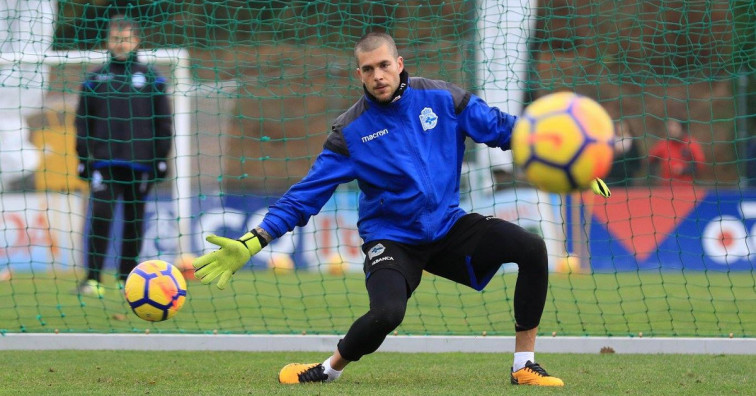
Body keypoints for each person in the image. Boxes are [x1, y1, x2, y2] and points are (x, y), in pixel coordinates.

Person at [193, 32, 609, 387]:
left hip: (447, 227)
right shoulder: (350, 132)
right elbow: (305, 195)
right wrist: (254, 240)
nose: (378, 76)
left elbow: (503, 128)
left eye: (384, 65)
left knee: (532, 249)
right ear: (359, 74)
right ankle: (326, 370)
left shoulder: (443, 98)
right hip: (392, 239)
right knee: (388, 313)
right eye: (368, 69)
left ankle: (523, 366)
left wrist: (571, 161)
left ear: (399, 63)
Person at [73, 15, 173, 297]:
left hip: (140, 162)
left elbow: (163, 122)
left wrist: (161, 158)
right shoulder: (95, 79)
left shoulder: (152, 78)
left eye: (126, 39)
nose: (120, 44)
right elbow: (83, 123)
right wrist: (83, 157)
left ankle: (126, 278)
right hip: (104, 162)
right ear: (108, 41)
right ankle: (92, 278)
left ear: (136, 41)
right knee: (101, 217)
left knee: (134, 221)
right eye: (116, 39)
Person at [648, 119, 705, 185]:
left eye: (674, 126)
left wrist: (684, 170)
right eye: (669, 126)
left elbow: (699, 166)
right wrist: (654, 177)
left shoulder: (691, 143)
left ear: (682, 128)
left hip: (687, 189)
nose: (671, 129)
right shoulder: (663, 144)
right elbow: (651, 160)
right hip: (666, 189)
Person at [604, 119, 641, 185]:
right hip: (610, 177)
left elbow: (636, 161)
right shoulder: (609, 141)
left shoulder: (632, 142)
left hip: (626, 178)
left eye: (623, 126)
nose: (621, 128)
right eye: (619, 126)